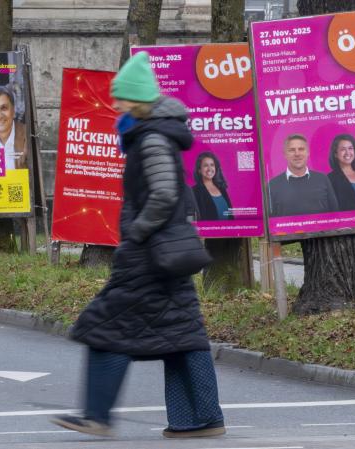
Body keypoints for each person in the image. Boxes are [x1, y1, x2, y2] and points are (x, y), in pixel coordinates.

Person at [51, 52, 225, 439]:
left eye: (121, 98)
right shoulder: (155, 133)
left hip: (149, 255)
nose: (116, 104)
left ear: (138, 100)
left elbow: (163, 194)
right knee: (183, 334)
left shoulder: (150, 139)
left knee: (104, 327)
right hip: (165, 255)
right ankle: (201, 418)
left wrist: (137, 232)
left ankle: (96, 416)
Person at [268, 134, 338, 217]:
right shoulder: (272, 185)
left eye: (301, 149)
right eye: (292, 150)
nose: (297, 154)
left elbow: (335, 214)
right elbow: (271, 222)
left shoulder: (322, 179)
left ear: (308, 153)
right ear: (285, 154)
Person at [192, 152, 233, 221]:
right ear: (199, 170)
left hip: (228, 230)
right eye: (205, 165)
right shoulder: (195, 191)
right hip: (208, 231)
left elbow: (231, 215)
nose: (209, 168)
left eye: (212, 165)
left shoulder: (221, 188)